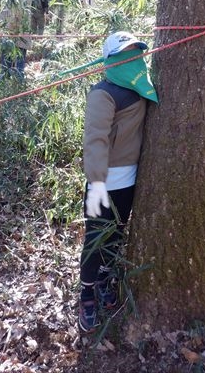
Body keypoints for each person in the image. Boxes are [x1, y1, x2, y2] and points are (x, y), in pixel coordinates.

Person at [78, 31, 159, 334]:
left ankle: (103, 281)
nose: (133, 58)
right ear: (111, 60)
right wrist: (96, 182)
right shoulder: (104, 93)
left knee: (115, 236)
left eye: (137, 51)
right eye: (125, 53)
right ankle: (86, 294)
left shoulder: (140, 88)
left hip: (129, 182)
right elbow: (95, 140)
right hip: (102, 183)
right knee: (95, 240)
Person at [0, 0, 33, 78]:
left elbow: (4, 12)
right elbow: (23, 15)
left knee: (6, 62)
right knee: (19, 63)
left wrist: (1, 27)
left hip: (9, 32)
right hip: (21, 33)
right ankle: (18, 85)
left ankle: (3, 84)